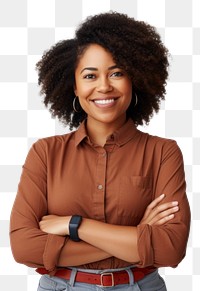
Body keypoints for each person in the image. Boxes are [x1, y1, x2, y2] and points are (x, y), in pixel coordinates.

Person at [10, 12, 190, 291]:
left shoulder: (163, 152)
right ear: (75, 86)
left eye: (117, 73)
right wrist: (138, 237)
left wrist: (74, 225)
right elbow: (24, 247)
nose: (104, 86)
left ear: (135, 79)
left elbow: (170, 249)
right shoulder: (45, 153)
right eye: (90, 75)